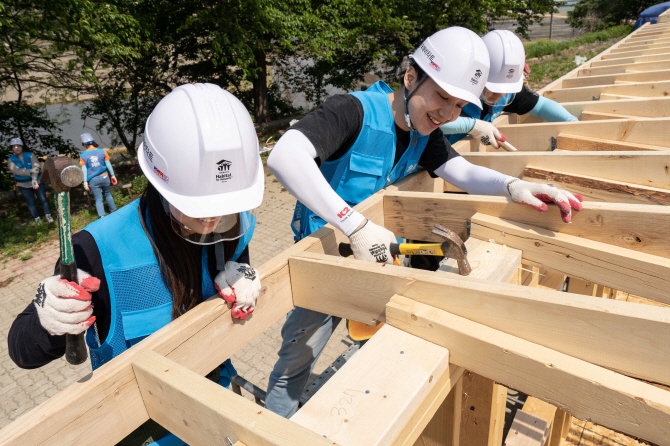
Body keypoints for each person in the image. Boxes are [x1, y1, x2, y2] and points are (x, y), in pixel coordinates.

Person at [264, 26, 583, 418]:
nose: (447, 114)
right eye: (441, 97)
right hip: (324, 258)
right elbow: (285, 156)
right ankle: (276, 425)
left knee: (379, 342)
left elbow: (461, 172)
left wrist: (513, 185)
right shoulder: (353, 111)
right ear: (411, 77)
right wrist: (356, 225)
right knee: (299, 357)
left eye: (458, 106)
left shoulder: (423, 131)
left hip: (378, 256)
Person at [9, 84, 265, 446]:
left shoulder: (233, 226)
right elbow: (22, 351)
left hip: (217, 399)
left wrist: (247, 279)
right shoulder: (95, 251)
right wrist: (48, 317)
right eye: (199, 207)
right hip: (144, 428)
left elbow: (238, 275)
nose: (215, 219)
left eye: (227, 204)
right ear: (160, 180)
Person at [441, 30, 578, 149]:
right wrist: (472, 126)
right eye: (493, 90)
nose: (499, 95)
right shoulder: (456, 88)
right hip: (426, 160)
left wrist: (571, 123)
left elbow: (542, 106)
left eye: (506, 89)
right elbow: (429, 118)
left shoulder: (507, 93)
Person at [7, 137, 53, 224]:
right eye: (14, 146)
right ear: (12, 149)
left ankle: (48, 215)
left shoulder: (30, 155)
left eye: (18, 146)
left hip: (37, 181)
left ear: (22, 146)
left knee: (43, 199)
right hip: (22, 184)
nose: (17, 148)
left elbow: (36, 166)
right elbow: (16, 170)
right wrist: (30, 171)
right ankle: (37, 218)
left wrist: (34, 179)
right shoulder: (11, 160)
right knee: (30, 202)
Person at [79, 133, 118, 217]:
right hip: (105, 177)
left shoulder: (82, 155)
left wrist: (85, 182)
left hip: (93, 180)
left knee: (98, 199)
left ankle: (102, 216)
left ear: (84, 143)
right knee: (108, 194)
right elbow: (108, 165)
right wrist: (113, 175)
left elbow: (84, 170)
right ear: (93, 141)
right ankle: (114, 211)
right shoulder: (103, 151)